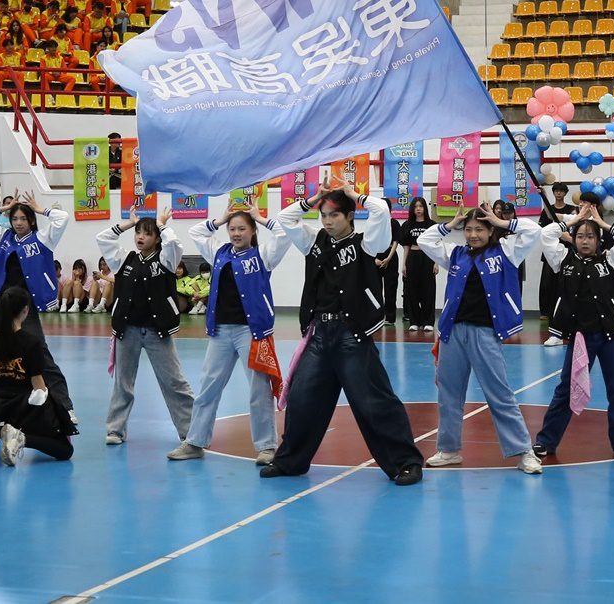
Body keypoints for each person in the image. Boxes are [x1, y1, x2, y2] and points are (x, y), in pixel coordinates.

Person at [263, 184, 425, 484]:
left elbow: (381, 210)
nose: (327, 221)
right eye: (323, 215)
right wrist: (313, 199)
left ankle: (405, 462)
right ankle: (290, 462)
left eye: (334, 215)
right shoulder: (312, 241)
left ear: (350, 216)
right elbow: (285, 217)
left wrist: (354, 195)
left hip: (353, 335)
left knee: (373, 402)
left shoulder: (367, 243)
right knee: (302, 399)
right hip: (319, 335)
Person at [413, 202, 542, 475]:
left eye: (480, 229)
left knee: (500, 394)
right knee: (448, 394)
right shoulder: (455, 254)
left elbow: (533, 231)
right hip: (452, 332)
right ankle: (449, 449)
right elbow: (424, 240)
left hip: (485, 333)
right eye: (468, 229)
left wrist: (502, 222)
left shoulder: (507, 250)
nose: (473, 235)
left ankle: (523, 451)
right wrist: (449, 225)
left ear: (490, 230)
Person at [169, 204, 287, 464]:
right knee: (208, 388)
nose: (236, 233)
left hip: (251, 333)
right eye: (232, 229)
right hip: (220, 331)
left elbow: (283, 233)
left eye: (242, 228)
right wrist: (220, 219)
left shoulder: (263, 255)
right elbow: (196, 232)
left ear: (252, 231)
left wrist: (260, 218)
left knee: (259, 389)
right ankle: (195, 441)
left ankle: (267, 447)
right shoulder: (219, 252)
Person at [534, 200, 614, 460]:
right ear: (573, 238)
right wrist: (573, 220)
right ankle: (546, 440)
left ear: (598, 240)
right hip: (580, 338)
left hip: (611, 335)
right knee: (567, 389)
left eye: (591, 236)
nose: (585, 241)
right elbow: (546, 234)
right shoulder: (562, 259)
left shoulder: (610, 259)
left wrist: (602, 223)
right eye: (580, 236)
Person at [0, 191, 76, 420]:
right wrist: (4, 208)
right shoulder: (2, 237)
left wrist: (40, 209)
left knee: (39, 351)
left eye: (23, 218)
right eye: (14, 219)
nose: (18, 223)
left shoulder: (43, 238)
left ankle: (64, 407)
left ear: (31, 221)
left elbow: (62, 218)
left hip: (25, 305)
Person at [97, 203, 195, 446]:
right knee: (123, 383)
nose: (140, 237)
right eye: (138, 232)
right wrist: (128, 223)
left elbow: (175, 244)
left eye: (147, 233)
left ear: (157, 238)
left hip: (157, 332)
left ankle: (191, 432)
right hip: (127, 330)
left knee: (174, 382)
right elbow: (103, 238)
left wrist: (162, 225)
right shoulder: (124, 259)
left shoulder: (166, 259)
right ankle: (115, 430)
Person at [0, 286, 75, 466]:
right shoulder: (31, 342)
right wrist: (50, 405)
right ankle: (20, 437)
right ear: (25, 310)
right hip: (23, 406)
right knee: (65, 450)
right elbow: (37, 383)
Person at [538, 182, 577, 327]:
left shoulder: (571, 210)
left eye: (561, 191)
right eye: (556, 191)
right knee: (546, 282)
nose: (559, 193)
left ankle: (564, 310)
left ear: (565, 193)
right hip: (551, 250)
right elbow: (543, 229)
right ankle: (545, 311)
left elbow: (574, 227)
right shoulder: (547, 210)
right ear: (553, 193)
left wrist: (568, 238)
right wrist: (543, 197)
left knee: (565, 281)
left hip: (567, 251)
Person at [397, 197, 437, 332]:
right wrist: (404, 264)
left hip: (428, 257)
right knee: (412, 290)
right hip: (412, 257)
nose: (418, 209)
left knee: (428, 290)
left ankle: (428, 321)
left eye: (420, 206)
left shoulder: (431, 225)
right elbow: (406, 247)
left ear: (425, 208)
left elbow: (436, 244)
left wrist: (436, 263)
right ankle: (414, 321)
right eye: (415, 206)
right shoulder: (407, 225)